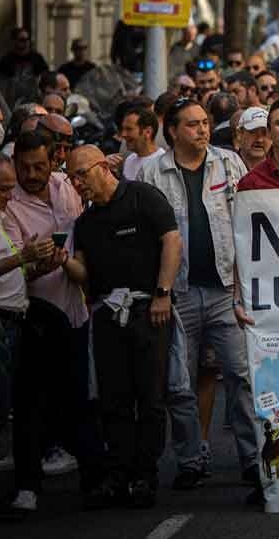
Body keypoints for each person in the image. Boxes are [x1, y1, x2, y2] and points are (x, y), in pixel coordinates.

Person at [137, 97, 259, 494]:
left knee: (240, 377)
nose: (203, 130)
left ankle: (253, 460)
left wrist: (245, 286)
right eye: (192, 124)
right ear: (172, 131)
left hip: (226, 290)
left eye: (205, 123)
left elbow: (248, 219)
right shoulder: (151, 172)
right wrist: (160, 291)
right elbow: (147, 235)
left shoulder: (228, 163)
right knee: (180, 384)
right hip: (181, 293)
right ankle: (191, 460)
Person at [61, 146, 181, 510]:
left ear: (101, 168)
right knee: (113, 399)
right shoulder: (85, 221)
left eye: (81, 175)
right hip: (108, 313)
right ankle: (120, 472)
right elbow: (83, 271)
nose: (77, 183)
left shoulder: (143, 196)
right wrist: (63, 262)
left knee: (150, 396)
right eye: (71, 178)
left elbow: (171, 241)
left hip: (148, 309)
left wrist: (163, 293)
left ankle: (145, 474)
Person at [1, 130, 93, 517]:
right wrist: (34, 259)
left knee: (80, 398)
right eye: (25, 168)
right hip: (36, 314)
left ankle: (93, 480)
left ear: (53, 160)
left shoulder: (63, 185)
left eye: (40, 166)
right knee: (29, 404)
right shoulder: (8, 203)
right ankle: (27, 485)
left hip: (78, 309)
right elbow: (13, 274)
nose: (33, 174)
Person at [0, 154, 55, 489]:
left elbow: (14, 269)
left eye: (9, 189)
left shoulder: (3, 218)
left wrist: (40, 264)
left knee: (18, 405)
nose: (9, 196)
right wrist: (23, 258)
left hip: (16, 321)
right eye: (2, 190)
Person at [118, 106, 163, 181]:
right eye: (123, 129)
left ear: (148, 132)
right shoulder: (129, 159)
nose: (123, 134)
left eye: (129, 129)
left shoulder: (162, 164)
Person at [234, 107, 271, 172]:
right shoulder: (227, 166)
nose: (259, 139)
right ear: (239, 134)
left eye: (265, 133)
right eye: (253, 132)